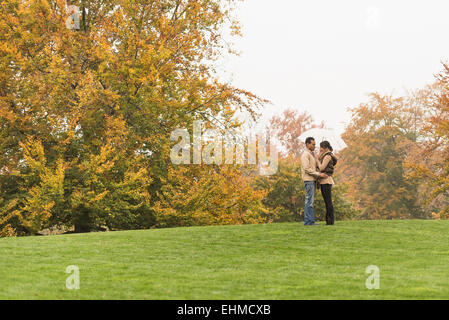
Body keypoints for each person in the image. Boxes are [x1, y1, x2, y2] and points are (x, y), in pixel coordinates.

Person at [300, 137, 328, 226]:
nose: (314, 146)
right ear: (307, 144)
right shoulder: (305, 155)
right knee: (309, 201)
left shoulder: (311, 154)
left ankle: (310, 221)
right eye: (313, 144)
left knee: (310, 201)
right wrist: (319, 175)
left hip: (312, 180)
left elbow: (313, 166)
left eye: (315, 144)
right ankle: (309, 222)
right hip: (309, 180)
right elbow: (307, 169)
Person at [315, 141, 338, 225]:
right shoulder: (325, 155)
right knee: (327, 201)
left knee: (328, 201)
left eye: (321, 147)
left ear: (326, 148)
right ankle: (329, 220)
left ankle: (330, 220)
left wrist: (317, 160)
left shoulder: (327, 156)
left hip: (326, 181)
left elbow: (321, 168)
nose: (320, 149)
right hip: (324, 181)